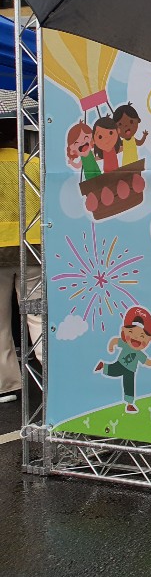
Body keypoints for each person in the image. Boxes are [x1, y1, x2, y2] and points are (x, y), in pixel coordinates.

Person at [0, 118, 41, 402]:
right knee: (37, 316)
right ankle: (54, 376)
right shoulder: (33, 164)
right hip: (33, 250)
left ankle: (7, 385)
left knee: (1, 323)